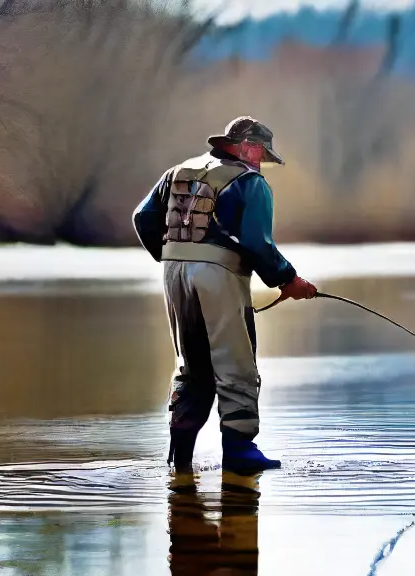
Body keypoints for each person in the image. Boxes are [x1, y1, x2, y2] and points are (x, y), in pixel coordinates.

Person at [132, 116, 318, 476]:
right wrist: (289, 280)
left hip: (173, 273)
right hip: (218, 276)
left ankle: (180, 456)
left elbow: (143, 219)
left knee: (190, 364)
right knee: (237, 362)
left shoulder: (177, 172)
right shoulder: (250, 182)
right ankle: (239, 452)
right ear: (248, 147)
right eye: (261, 153)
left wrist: (175, 257)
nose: (261, 161)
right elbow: (257, 243)